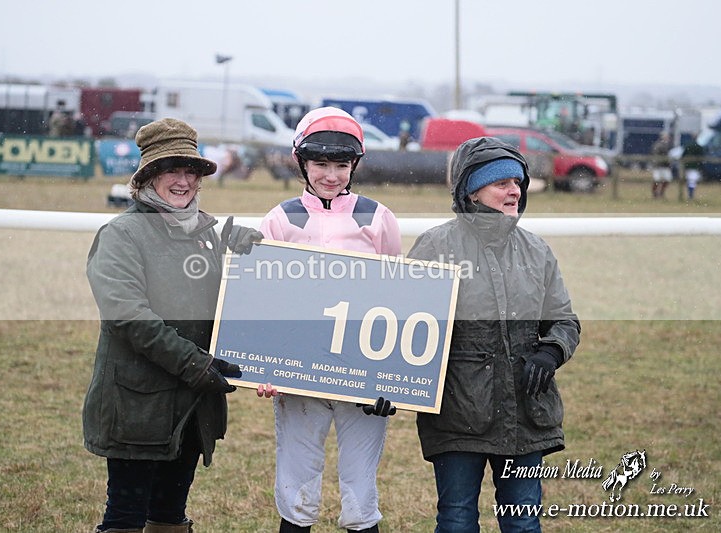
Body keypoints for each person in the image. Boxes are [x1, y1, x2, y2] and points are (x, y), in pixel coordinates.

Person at [84, 118, 262, 533]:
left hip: (190, 407)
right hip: (137, 405)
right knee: (125, 517)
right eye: (171, 170)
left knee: (168, 515)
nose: (182, 181)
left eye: (190, 171)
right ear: (148, 177)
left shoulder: (207, 235)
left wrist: (246, 260)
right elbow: (130, 316)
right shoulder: (121, 235)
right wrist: (196, 365)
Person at [407, 136, 581, 533]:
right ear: (471, 191)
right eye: (501, 183)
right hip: (457, 414)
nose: (514, 190)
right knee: (456, 519)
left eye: (517, 182)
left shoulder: (537, 250)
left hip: (526, 413)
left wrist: (551, 352)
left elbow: (564, 321)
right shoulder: (435, 246)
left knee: (522, 523)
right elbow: (405, 327)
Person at [257, 107, 402, 533]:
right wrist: (267, 365)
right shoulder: (280, 219)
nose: (331, 175)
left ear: (355, 165)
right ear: (302, 162)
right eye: (321, 163)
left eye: (341, 165)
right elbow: (265, 300)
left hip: (362, 370)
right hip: (299, 373)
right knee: (297, 490)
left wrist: (390, 377)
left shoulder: (377, 217)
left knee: (360, 494)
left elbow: (398, 298)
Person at [650, 132, 673, 198]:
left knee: (667, 179)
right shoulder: (658, 145)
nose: (668, 139)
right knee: (656, 179)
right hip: (658, 165)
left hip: (665, 166)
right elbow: (657, 155)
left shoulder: (667, 145)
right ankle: (655, 193)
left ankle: (661, 193)